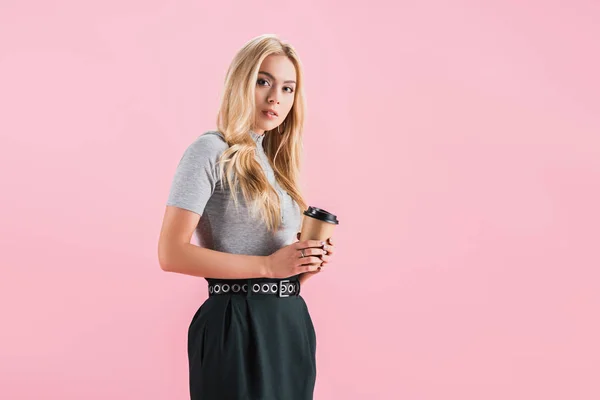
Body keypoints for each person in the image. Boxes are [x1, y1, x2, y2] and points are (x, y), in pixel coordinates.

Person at [157, 34, 336, 400]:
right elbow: (170, 253)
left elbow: (274, 263)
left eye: (288, 88)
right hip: (234, 322)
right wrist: (269, 267)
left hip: (289, 321)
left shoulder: (276, 164)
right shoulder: (209, 150)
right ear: (241, 82)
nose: (275, 98)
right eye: (263, 81)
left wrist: (302, 264)